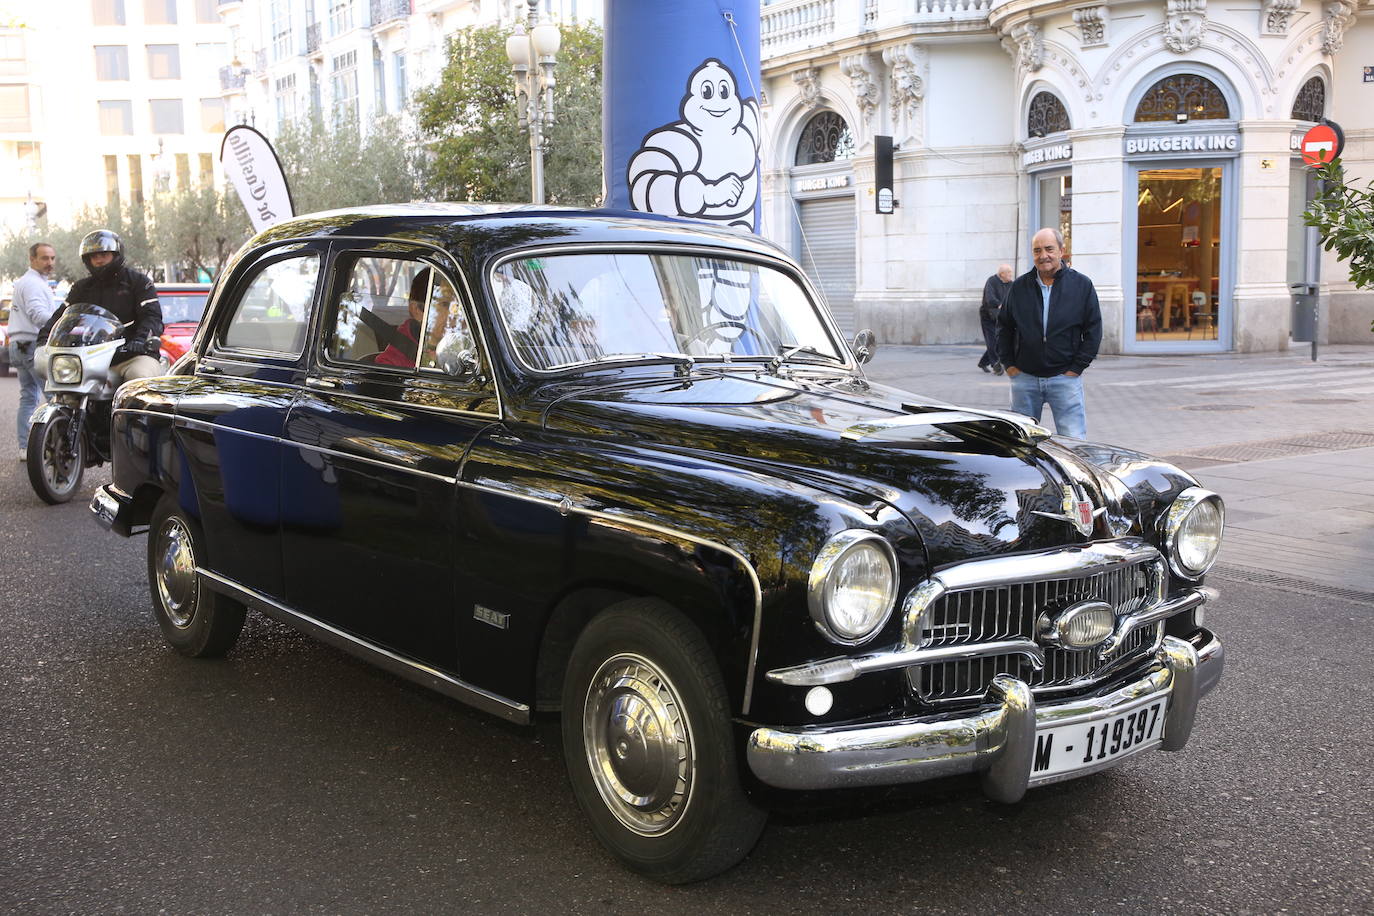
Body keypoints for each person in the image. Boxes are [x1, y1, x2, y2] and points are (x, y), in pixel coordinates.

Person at [996, 228, 1101, 439]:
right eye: (1037, 250)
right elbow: (1003, 327)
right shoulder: (1018, 287)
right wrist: (1009, 365)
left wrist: (1077, 368)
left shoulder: (1082, 285)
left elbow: (1093, 329)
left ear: (1062, 251)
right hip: (1024, 378)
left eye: (1049, 249)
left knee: (1074, 441)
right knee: (1021, 443)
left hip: (1065, 379)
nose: (1043, 255)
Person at [40, 230, 163, 384]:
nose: (98, 260)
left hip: (132, 356)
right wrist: (43, 338)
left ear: (116, 255)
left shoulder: (139, 282)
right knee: (63, 384)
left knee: (138, 379)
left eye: (104, 254)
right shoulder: (82, 287)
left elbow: (151, 316)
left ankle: (135, 408)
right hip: (90, 357)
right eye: (94, 256)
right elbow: (62, 316)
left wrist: (140, 340)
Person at [9, 241, 58, 459]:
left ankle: (24, 448)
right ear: (32, 259)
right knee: (54, 397)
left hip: (19, 345)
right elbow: (38, 314)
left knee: (28, 397)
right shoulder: (32, 283)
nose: (50, 262)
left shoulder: (30, 282)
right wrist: (64, 326)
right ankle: (56, 447)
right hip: (31, 345)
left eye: (52, 258)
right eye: (44, 258)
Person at [978, 263, 1013, 374]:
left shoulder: (1011, 284)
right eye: (1009, 273)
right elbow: (990, 298)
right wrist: (1000, 304)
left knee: (998, 342)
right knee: (992, 341)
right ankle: (996, 366)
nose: (1011, 275)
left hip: (1001, 317)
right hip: (988, 316)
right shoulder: (991, 281)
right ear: (1002, 274)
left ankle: (983, 362)